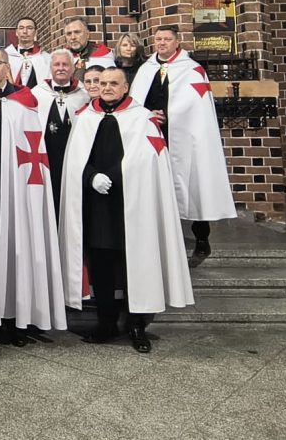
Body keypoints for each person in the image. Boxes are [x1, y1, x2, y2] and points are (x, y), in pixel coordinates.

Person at [60, 67, 194, 353]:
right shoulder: (85, 117)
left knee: (136, 264)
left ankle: (136, 324)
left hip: (134, 202)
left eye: (113, 83)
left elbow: (147, 160)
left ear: (125, 87)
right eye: (102, 83)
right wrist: (91, 176)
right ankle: (106, 322)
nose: (107, 88)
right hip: (97, 205)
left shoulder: (143, 118)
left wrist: (115, 176)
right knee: (101, 265)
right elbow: (74, 159)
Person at [0, 48, 66, 344]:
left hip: (15, 185)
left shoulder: (25, 101)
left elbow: (33, 145)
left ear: (8, 67)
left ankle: (14, 318)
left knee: (14, 246)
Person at [129, 25, 236, 267]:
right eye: (158, 39)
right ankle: (160, 246)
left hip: (186, 138)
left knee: (194, 184)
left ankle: (201, 240)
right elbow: (134, 104)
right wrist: (147, 116)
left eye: (167, 39)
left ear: (177, 42)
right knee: (155, 188)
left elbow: (197, 107)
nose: (162, 43)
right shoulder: (146, 70)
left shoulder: (192, 70)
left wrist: (170, 115)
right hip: (152, 136)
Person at [32, 49, 89, 217]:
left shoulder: (83, 94)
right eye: (57, 64)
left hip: (74, 157)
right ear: (50, 67)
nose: (61, 68)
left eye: (65, 64)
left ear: (73, 68)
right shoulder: (37, 94)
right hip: (47, 157)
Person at [6, 17, 51, 89]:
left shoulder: (46, 59)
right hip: (12, 95)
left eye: (29, 28)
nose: (25, 31)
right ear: (16, 32)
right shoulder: (6, 57)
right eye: (21, 28)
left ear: (35, 32)